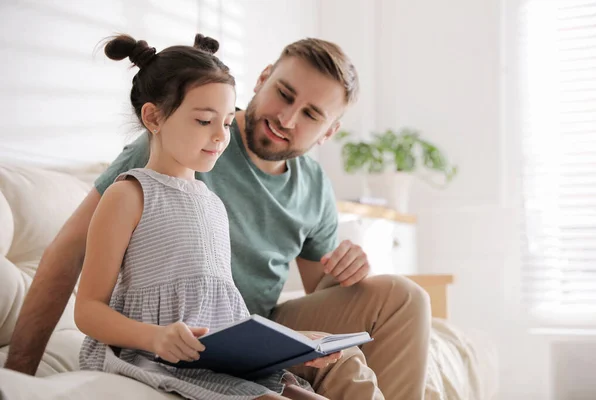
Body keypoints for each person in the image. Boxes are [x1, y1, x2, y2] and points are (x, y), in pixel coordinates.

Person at [5, 33, 431, 400]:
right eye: (284, 94)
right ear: (263, 78)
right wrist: (20, 378)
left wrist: (346, 270)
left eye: (311, 114)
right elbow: (69, 251)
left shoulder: (310, 183)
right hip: (187, 332)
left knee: (405, 297)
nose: (286, 118)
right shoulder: (176, 143)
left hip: (248, 323)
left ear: (330, 131)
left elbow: (320, 288)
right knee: (344, 366)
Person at [73, 33, 336, 400]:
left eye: (227, 123)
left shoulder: (212, 204)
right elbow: (87, 311)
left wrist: (296, 343)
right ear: (153, 117)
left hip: (211, 360)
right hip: (152, 356)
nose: (219, 137)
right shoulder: (128, 195)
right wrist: (156, 337)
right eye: (203, 121)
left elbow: (222, 310)